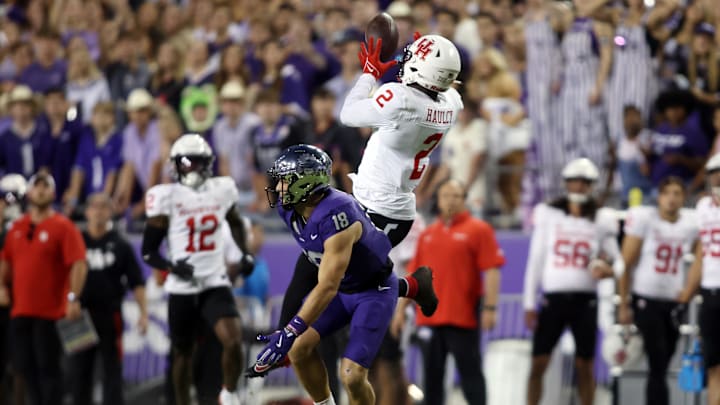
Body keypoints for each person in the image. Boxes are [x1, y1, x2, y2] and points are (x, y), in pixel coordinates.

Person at [252, 33, 462, 379]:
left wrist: (368, 73)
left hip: (376, 209)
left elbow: (347, 113)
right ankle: (411, 287)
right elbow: (447, 85)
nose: (404, 59)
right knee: (326, 271)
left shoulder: (402, 99)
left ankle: (290, 342)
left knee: (334, 282)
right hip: (389, 206)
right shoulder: (450, 102)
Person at [250, 144, 397, 405]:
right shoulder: (291, 209)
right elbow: (308, 261)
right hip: (343, 289)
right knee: (298, 350)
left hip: (372, 291)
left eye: (285, 180)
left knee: (351, 375)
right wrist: (287, 329)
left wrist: (291, 328)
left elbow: (328, 285)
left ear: (306, 183)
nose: (278, 188)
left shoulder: (338, 213)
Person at [140, 134, 255, 405]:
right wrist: (171, 266)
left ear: (208, 163)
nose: (192, 168)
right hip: (182, 286)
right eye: (186, 162)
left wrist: (245, 253)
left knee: (233, 339)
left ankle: (228, 392)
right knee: (182, 352)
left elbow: (235, 222)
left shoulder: (221, 189)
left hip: (215, 280)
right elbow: (148, 251)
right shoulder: (165, 196)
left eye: (197, 162)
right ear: (176, 165)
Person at [523, 158, 621, 405]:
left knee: (585, 364)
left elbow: (619, 263)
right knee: (538, 361)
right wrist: (528, 303)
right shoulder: (549, 214)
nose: (578, 187)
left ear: (592, 185)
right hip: (553, 298)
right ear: (566, 183)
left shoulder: (601, 219)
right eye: (574, 181)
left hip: (585, 299)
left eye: (584, 182)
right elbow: (536, 259)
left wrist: (607, 270)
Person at [403, 178, 504, 405]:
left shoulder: (479, 230)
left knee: (471, 375)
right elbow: (414, 277)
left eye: (456, 196)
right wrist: (401, 310)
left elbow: (492, 270)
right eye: (445, 195)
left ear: (464, 200)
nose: (450, 200)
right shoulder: (428, 234)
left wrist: (490, 307)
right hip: (429, 319)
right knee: (431, 379)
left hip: (463, 318)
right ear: (437, 200)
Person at [0, 173, 87, 405]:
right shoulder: (16, 227)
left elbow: (78, 263)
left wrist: (73, 297)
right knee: (24, 370)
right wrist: (1, 286)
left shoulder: (63, 226)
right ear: (28, 194)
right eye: (36, 186)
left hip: (50, 312)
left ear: (53, 193)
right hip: (20, 310)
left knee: (48, 370)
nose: (40, 190)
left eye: (45, 186)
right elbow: (5, 261)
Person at [617, 176, 699, 405]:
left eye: (677, 193)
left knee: (664, 361)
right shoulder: (646, 220)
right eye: (667, 193)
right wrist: (624, 303)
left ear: (684, 198)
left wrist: (690, 288)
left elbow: (703, 257)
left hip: (673, 301)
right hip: (646, 299)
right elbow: (625, 263)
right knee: (658, 360)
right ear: (659, 197)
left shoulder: (690, 224)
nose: (672, 199)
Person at [71, 192, 148, 405]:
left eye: (103, 207)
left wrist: (144, 314)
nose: (98, 211)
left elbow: (137, 282)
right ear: (86, 212)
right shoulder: (76, 241)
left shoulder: (121, 245)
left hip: (110, 314)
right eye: (94, 206)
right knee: (79, 369)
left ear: (111, 212)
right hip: (80, 315)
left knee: (112, 368)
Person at [685, 153, 720, 405]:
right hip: (710, 291)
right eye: (715, 173)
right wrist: (688, 289)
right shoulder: (703, 207)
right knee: (713, 365)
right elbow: (701, 251)